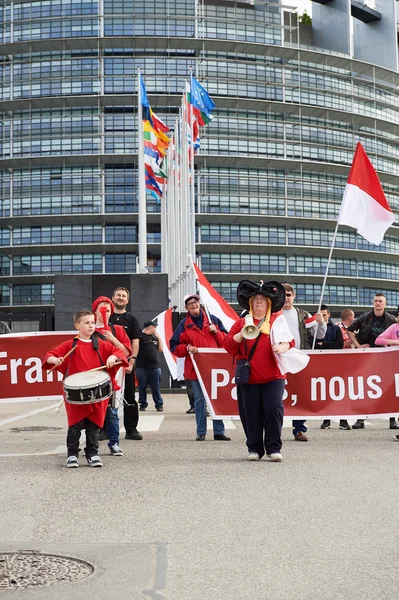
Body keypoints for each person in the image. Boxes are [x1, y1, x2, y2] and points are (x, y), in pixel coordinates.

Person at [43, 310, 128, 468]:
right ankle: (72, 454)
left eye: (93, 322)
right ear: (77, 326)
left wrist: (112, 357)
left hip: (96, 391)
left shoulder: (100, 344)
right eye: (87, 322)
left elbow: (118, 352)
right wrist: (56, 359)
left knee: (94, 424)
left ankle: (92, 454)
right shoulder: (70, 344)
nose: (91, 325)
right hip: (75, 392)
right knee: (75, 425)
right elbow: (49, 356)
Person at [224, 280, 296, 461]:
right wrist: (241, 333)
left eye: (262, 300)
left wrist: (283, 346)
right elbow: (229, 346)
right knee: (251, 413)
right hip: (250, 377)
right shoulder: (240, 322)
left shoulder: (277, 321)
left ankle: (273, 448)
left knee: (273, 409)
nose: (258, 302)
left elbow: (291, 341)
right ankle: (254, 448)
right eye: (255, 299)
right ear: (250, 304)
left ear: (268, 304)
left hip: (274, 376)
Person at [170, 293, 231, 442]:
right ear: (187, 307)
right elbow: (174, 346)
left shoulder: (213, 320)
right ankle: (201, 431)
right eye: (190, 303)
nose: (193, 304)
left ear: (199, 303)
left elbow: (227, 342)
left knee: (216, 400)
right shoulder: (183, 325)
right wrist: (187, 347)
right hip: (195, 369)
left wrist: (215, 332)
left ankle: (219, 432)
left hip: (214, 369)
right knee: (199, 400)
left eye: (195, 301)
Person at [282, 283, 327, 441]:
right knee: (276, 395)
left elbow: (318, 336)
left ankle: (299, 429)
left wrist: (321, 323)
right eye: (283, 294)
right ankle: (273, 428)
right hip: (277, 359)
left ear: (294, 296)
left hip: (298, 358)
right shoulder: (272, 314)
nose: (286, 298)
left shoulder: (304, 315)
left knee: (300, 394)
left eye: (289, 295)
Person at [346, 293, 398, 429]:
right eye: (376, 301)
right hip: (367, 356)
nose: (378, 303)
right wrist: (358, 345)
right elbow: (349, 330)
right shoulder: (365, 317)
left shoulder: (391, 319)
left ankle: (393, 419)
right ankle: (360, 419)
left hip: (385, 357)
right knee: (364, 387)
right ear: (373, 303)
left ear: (385, 304)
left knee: (389, 387)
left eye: (381, 301)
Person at [92, 296, 132, 456]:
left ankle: (114, 443)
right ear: (95, 311)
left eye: (108, 310)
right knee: (92, 410)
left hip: (112, 376)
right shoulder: (90, 328)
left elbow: (127, 352)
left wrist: (113, 339)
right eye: (102, 310)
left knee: (112, 411)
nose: (105, 313)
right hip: (94, 375)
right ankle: (91, 444)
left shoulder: (118, 330)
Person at [109, 287, 143, 440]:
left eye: (123, 296)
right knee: (106, 398)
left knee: (129, 397)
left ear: (127, 301)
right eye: (118, 295)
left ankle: (131, 429)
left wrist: (132, 362)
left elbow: (135, 342)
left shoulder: (131, 319)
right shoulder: (105, 318)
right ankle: (104, 429)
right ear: (113, 297)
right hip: (107, 365)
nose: (121, 298)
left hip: (125, 365)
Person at [317, 305, 350, 430]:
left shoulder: (335, 328)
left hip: (336, 364)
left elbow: (339, 344)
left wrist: (324, 344)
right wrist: (325, 345)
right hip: (321, 364)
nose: (322, 317)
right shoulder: (315, 329)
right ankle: (326, 420)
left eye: (324, 315)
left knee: (339, 392)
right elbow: (315, 345)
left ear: (329, 315)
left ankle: (343, 420)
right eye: (320, 315)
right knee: (324, 392)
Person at [136, 320, 165, 412]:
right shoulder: (140, 337)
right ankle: (142, 404)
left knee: (155, 386)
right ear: (149, 327)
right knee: (142, 386)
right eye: (154, 327)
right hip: (142, 366)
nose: (155, 329)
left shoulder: (155, 338)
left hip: (154, 366)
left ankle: (159, 404)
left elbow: (160, 349)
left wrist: (159, 338)